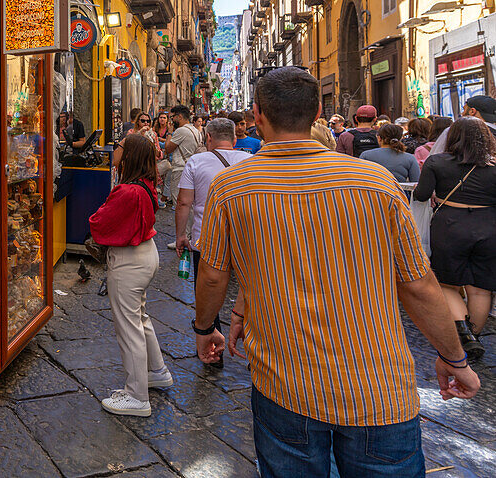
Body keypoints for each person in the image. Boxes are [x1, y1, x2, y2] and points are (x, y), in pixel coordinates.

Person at [193, 67, 479, 477]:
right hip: (378, 386)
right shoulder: (374, 182)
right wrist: (453, 357)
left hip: (284, 384)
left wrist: (207, 328)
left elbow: (214, 274)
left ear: (257, 115)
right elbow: (418, 285)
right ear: (317, 114)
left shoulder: (233, 187)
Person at [88, 134, 172, 417]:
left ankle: (137, 396)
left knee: (129, 328)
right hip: (146, 254)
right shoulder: (145, 185)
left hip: (129, 260)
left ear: (130, 154)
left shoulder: (127, 191)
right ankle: (156, 371)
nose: (115, 149)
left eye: (120, 146)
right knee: (140, 318)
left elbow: (99, 222)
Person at [413, 117, 496, 362]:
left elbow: (421, 194)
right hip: (489, 227)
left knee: (447, 284)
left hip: (450, 226)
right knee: (481, 289)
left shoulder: (437, 162)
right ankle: (475, 336)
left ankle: (464, 335)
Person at [174, 117, 250, 366]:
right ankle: (252, 349)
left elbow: (184, 202)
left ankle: (211, 344)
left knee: (207, 291)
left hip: (205, 239)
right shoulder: (251, 162)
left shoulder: (196, 161)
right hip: (243, 240)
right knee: (250, 291)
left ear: (208, 137)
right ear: (234, 139)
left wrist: (180, 235)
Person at [428, 95, 496, 157]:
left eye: (464, 109)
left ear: (472, 111)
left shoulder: (452, 131)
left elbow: (434, 159)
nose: (462, 113)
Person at [162, 105, 201, 204]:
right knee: (189, 202)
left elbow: (168, 149)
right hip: (192, 168)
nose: (172, 120)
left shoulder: (181, 130)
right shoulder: (196, 131)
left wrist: (169, 133)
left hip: (180, 170)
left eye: (172, 117)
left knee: (179, 202)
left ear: (179, 117)